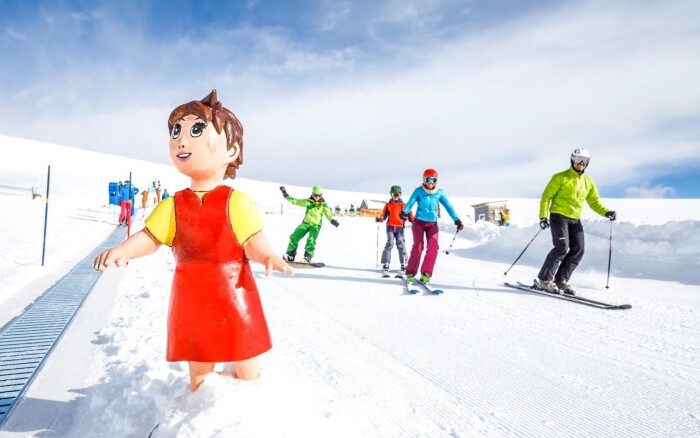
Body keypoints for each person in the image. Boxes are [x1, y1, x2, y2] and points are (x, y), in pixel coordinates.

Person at [93, 90, 293, 392]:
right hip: (191, 291)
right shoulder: (173, 205)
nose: (181, 141)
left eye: (196, 131)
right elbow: (151, 237)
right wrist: (124, 250)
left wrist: (269, 256)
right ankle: (197, 401)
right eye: (177, 131)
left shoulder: (236, 202)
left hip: (234, 288)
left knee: (244, 346)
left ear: (232, 150)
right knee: (198, 349)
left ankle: (251, 395)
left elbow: (253, 239)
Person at [536, 147, 616, 295]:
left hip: (574, 219)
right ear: (572, 160)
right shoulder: (560, 177)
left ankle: (561, 280)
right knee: (562, 247)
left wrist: (606, 212)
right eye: (578, 160)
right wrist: (543, 216)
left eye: (585, 161)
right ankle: (544, 279)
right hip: (558, 215)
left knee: (579, 248)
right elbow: (546, 197)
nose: (581, 163)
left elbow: (594, 202)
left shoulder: (588, 182)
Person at [400, 169, 463, 284]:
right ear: (424, 180)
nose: (430, 182)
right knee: (418, 247)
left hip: (432, 224)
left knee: (433, 248)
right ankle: (410, 273)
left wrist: (457, 220)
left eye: (433, 180)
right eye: (428, 179)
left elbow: (449, 206)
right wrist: (404, 212)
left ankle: (426, 273)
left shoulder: (439, 192)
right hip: (418, 222)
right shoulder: (419, 191)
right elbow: (410, 203)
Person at [280, 185, 339, 263]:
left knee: (311, 240)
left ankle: (308, 257)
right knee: (294, 237)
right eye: (315, 195)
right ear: (312, 194)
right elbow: (296, 201)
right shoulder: (308, 201)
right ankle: (290, 255)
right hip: (306, 224)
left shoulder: (323, 204)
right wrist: (285, 195)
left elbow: (328, 213)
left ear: (321, 195)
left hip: (316, 226)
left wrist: (332, 220)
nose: (317, 197)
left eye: (319, 196)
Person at [376, 185, 413, 277]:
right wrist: (380, 219)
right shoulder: (388, 205)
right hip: (390, 227)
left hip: (400, 227)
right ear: (391, 195)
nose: (396, 196)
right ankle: (386, 263)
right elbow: (383, 215)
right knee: (389, 243)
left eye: (397, 194)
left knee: (401, 245)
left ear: (400, 195)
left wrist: (413, 220)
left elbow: (410, 214)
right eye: (394, 194)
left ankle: (404, 264)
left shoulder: (403, 205)